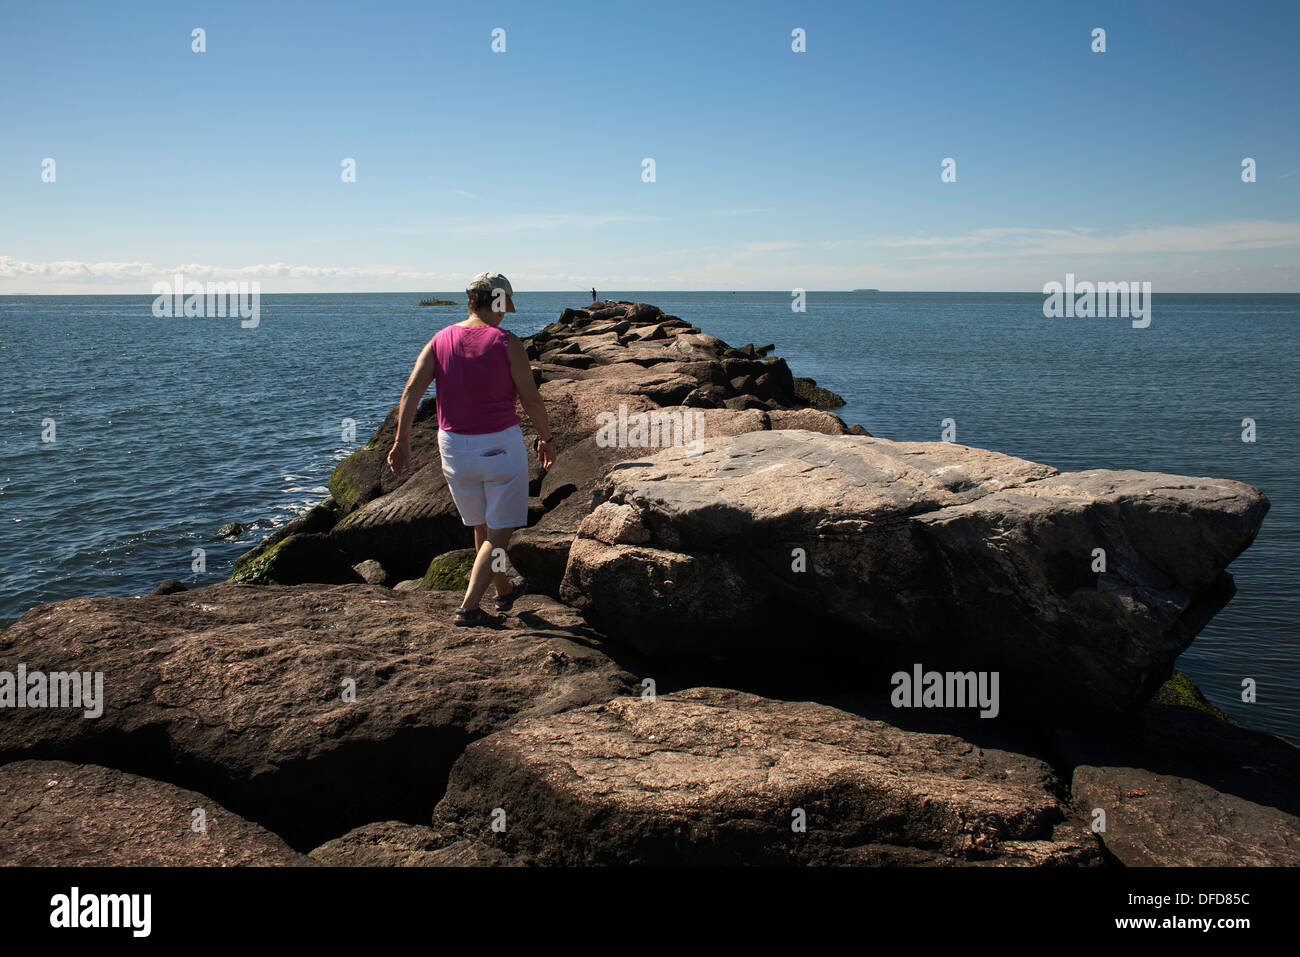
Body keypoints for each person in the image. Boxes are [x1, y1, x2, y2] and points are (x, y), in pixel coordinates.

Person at [387, 272, 555, 626]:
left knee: (481, 526)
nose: (506, 313)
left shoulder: (440, 339)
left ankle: (503, 590)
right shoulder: (506, 343)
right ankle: (469, 607)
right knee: (499, 533)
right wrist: (545, 438)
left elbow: (411, 393)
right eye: (504, 305)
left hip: (453, 449)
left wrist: (401, 441)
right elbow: (531, 399)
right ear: (498, 303)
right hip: (499, 447)